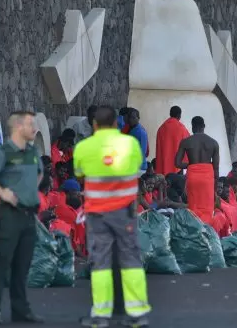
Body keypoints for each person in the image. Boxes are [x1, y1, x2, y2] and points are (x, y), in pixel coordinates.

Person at [73, 106, 150, 327]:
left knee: (101, 263)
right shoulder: (130, 144)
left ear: (94, 125)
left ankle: (101, 315)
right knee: (131, 261)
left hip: (98, 215)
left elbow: (79, 172)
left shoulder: (85, 147)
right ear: (116, 123)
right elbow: (136, 167)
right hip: (125, 214)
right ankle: (137, 314)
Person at [0, 111, 44, 324]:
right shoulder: (4, 152)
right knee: (1, 263)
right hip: (8, 215)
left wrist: (28, 191)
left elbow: (39, 173)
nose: (34, 129)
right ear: (18, 127)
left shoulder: (33, 152)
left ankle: (20, 309)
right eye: (30, 124)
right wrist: (3, 192)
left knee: (23, 265)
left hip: (28, 215)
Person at [175, 116, 219, 225]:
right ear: (203, 126)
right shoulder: (213, 143)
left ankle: (194, 233)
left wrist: (191, 165)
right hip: (207, 177)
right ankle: (207, 233)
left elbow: (177, 163)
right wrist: (215, 188)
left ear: (193, 127)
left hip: (193, 176)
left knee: (193, 207)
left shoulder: (185, 142)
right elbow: (216, 168)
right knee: (207, 208)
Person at [155, 106, 190, 175]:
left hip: (164, 164)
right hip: (178, 165)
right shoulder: (181, 128)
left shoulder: (161, 128)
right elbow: (188, 143)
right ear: (179, 115)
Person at [122, 107, 149, 172]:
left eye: (134, 117)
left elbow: (142, 152)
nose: (131, 120)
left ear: (138, 118)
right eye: (130, 117)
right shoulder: (131, 130)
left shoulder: (140, 132)